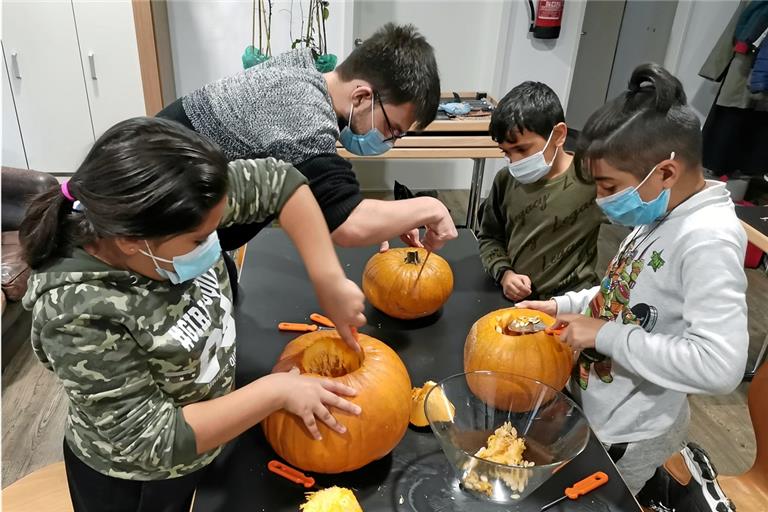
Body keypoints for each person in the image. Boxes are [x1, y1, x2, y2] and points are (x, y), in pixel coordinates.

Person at [20, 117, 366, 511]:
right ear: (132, 241)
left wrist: (329, 279)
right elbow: (154, 439)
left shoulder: (184, 203)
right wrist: (275, 392)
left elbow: (279, 182)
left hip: (205, 438)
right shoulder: (75, 313)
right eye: (200, 239)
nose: (212, 242)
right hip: (139, 482)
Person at [517, 63, 749, 495]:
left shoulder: (708, 239)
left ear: (664, 172)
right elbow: (621, 294)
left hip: (630, 433)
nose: (601, 200)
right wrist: (563, 307)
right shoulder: (662, 210)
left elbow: (720, 366)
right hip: (598, 411)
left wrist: (603, 335)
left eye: (609, 187)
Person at [158, 23, 457, 253]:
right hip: (154, 233)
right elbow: (346, 223)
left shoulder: (304, 75)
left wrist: (387, 219)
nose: (391, 140)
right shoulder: (300, 109)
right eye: (393, 128)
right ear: (363, 97)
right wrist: (429, 207)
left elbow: (323, 189)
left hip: (183, 218)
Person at [478, 81, 604, 301]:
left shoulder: (593, 180)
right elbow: (489, 237)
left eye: (522, 149)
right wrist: (505, 274)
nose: (514, 161)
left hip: (570, 309)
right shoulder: (506, 180)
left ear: (558, 135)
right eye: (506, 152)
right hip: (518, 304)